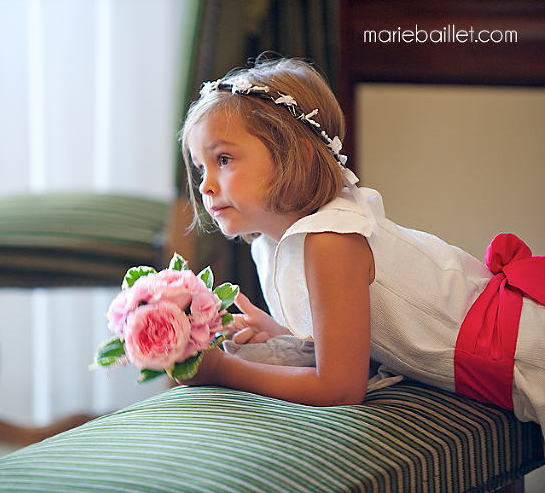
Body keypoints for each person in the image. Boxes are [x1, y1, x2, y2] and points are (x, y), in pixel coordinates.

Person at [178, 56, 545, 436]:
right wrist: (282, 336)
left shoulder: (331, 240)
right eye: (201, 168)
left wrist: (220, 369)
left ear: (298, 158)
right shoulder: (270, 247)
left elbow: (339, 388)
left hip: (524, 348)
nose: (206, 185)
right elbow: (351, 350)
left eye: (223, 159)